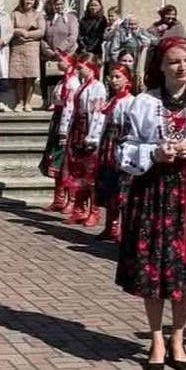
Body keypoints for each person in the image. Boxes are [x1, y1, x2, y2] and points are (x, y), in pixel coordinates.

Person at [115, 37, 186, 370]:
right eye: (174, 62)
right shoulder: (141, 104)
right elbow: (121, 150)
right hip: (152, 192)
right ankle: (155, 338)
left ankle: (178, 336)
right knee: (154, 268)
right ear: (161, 66)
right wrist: (153, 153)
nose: (182, 67)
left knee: (184, 267)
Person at [88, 63, 135, 242]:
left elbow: (129, 127)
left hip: (119, 144)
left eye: (118, 77)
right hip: (107, 144)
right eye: (112, 77)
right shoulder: (112, 100)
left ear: (127, 80)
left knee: (120, 187)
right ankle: (110, 225)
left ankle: (120, 228)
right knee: (108, 185)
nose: (114, 80)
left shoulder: (129, 102)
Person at [60, 56, 107, 226]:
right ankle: (78, 209)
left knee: (90, 173)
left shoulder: (98, 87)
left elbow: (97, 113)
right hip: (78, 130)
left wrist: (93, 136)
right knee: (77, 172)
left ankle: (94, 211)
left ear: (91, 67)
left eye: (82, 67)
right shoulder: (81, 86)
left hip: (88, 129)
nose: (79, 70)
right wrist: (67, 130)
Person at [43, 55, 79, 213]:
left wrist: (64, 130)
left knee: (65, 162)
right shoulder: (62, 81)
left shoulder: (72, 82)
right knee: (55, 160)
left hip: (66, 122)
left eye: (63, 60)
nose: (59, 62)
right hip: (57, 120)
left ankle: (70, 199)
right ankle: (58, 198)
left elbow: (69, 107)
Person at [10, 0, 46, 112]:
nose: (28, 1)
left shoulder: (38, 15)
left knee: (30, 77)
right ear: (23, 0)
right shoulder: (15, 14)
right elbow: (10, 28)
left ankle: (28, 103)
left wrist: (27, 34)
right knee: (18, 77)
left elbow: (41, 31)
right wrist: (18, 32)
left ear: (35, 1)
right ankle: (19, 102)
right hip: (18, 47)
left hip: (32, 47)